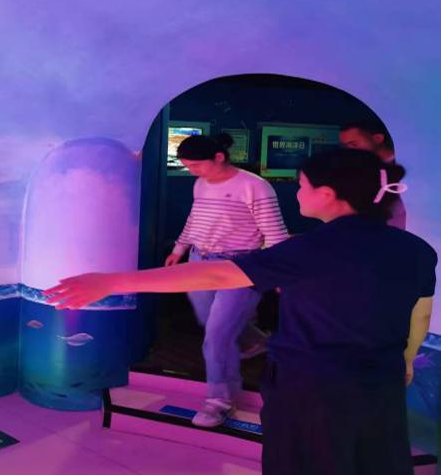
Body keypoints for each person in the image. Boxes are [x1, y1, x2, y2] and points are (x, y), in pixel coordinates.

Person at [45, 149, 437, 475]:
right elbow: (420, 315)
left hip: (309, 388)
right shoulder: (417, 250)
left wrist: (111, 282)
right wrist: (405, 360)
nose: (297, 193)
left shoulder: (307, 250)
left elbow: (217, 274)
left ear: (328, 194)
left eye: (302, 185)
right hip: (380, 383)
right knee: (374, 459)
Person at [164, 133, 288, 427]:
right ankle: (256, 340)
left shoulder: (254, 186)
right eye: (187, 166)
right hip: (199, 262)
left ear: (219, 157)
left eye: (196, 165)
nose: (192, 172)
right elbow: (195, 219)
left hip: (240, 266)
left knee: (217, 338)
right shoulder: (200, 184)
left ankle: (220, 401)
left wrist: (279, 272)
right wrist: (179, 249)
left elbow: (275, 233)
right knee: (211, 323)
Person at [340, 120, 406, 229]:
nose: (349, 150)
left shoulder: (409, 164)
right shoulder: (356, 170)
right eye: (345, 146)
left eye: (354, 144)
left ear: (378, 138)